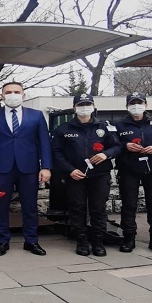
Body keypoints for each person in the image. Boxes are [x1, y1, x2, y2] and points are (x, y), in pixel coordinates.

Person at [0, 81, 52, 256]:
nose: (12, 95)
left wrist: (46, 166)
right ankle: (2, 241)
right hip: (0, 168)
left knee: (30, 206)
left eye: (16, 92)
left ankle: (31, 241)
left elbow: (44, 143)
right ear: (2, 95)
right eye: (8, 92)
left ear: (23, 95)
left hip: (29, 168)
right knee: (0, 207)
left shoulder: (36, 115)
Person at [51, 93, 122, 257]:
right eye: (81, 105)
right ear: (74, 108)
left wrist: (106, 154)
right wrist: (70, 170)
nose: (84, 108)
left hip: (100, 174)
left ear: (93, 106)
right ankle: (82, 241)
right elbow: (56, 153)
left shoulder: (105, 127)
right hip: (75, 175)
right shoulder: (63, 129)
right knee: (77, 208)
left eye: (87, 104)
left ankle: (98, 241)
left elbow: (117, 147)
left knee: (99, 209)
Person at [114, 92, 152, 253]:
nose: (136, 106)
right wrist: (125, 146)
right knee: (128, 205)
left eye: (139, 103)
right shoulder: (119, 125)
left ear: (146, 105)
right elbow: (112, 145)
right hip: (129, 169)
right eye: (132, 103)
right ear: (127, 106)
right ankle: (129, 238)